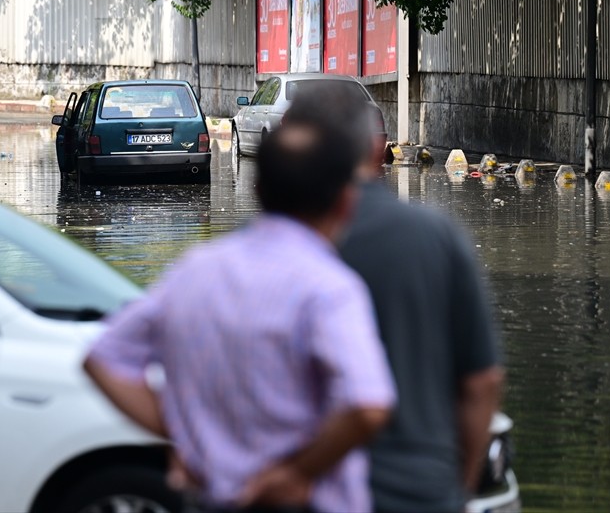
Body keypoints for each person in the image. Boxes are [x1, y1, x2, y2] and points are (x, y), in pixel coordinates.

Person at [83, 116, 397, 513]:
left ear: (258, 189)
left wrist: (187, 436)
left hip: (212, 498)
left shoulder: (195, 270)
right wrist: (296, 472)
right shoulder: (329, 288)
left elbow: (103, 358)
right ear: (346, 201)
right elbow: (368, 406)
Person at [287, 84, 505, 513]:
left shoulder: (258, 253)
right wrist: (454, 488)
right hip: (420, 493)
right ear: (378, 149)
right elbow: (483, 383)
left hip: (302, 492)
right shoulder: (436, 238)